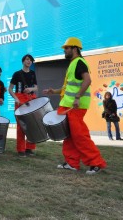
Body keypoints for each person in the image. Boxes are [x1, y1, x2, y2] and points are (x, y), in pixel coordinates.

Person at [43, 37, 107, 175]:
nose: (65, 50)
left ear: (75, 48)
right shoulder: (73, 64)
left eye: (67, 48)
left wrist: (77, 97)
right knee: (69, 136)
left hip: (75, 107)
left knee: (79, 136)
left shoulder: (79, 62)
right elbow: (69, 87)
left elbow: (87, 80)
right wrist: (54, 91)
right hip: (67, 106)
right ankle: (72, 163)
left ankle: (96, 163)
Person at [8, 54, 38, 157]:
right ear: (23, 61)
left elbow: (36, 88)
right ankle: (21, 149)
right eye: (27, 59)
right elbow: (10, 89)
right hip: (20, 100)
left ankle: (29, 148)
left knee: (32, 125)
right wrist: (16, 99)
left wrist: (31, 89)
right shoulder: (17, 74)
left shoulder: (33, 73)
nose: (29, 61)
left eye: (30, 60)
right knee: (21, 125)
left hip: (31, 99)